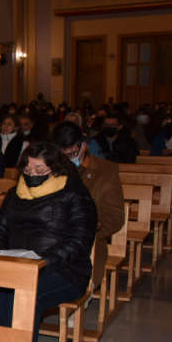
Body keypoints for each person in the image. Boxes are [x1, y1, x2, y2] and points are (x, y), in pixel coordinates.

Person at [0, 141, 97, 342]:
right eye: (28, 169)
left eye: (39, 170)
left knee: (27, 295)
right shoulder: (16, 193)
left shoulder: (75, 193)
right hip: (18, 265)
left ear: (55, 169)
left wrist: (41, 262)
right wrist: (0, 252)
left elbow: (80, 241)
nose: (31, 174)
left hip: (64, 270)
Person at [52, 122, 125, 290]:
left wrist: (85, 231)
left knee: (75, 273)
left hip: (88, 240)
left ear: (83, 146)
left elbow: (115, 217)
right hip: (52, 236)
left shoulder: (107, 170)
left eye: (71, 154)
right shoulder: (47, 168)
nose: (66, 161)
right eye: (61, 155)